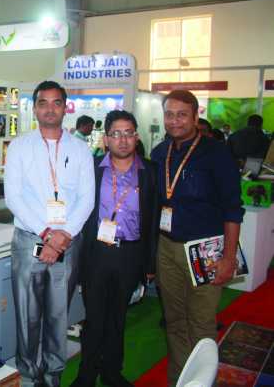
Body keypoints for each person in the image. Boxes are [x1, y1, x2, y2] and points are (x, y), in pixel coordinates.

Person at [4, 81, 95, 387]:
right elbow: (13, 198)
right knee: (27, 314)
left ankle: (53, 375)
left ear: (65, 108)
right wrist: (46, 234)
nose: (50, 109)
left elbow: (87, 199)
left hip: (67, 242)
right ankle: (29, 376)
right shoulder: (19, 147)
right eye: (43, 103)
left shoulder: (80, 149)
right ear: (35, 108)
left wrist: (63, 236)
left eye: (57, 103)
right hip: (29, 240)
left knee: (58, 314)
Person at [151, 90, 244, 386]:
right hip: (167, 248)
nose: (174, 121)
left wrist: (228, 257)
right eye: (169, 114)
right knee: (175, 321)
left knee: (201, 323)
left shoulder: (216, 153)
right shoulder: (159, 153)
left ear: (195, 116)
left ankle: (204, 381)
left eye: (182, 115)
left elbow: (233, 209)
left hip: (205, 251)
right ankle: (180, 380)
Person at [71, 111, 159, 387]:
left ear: (136, 137)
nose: (123, 140)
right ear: (106, 138)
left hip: (130, 254)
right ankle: (86, 375)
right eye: (116, 134)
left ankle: (111, 372)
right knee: (94, 318)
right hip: (96, 253)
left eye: (128, 133)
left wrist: (150, 264)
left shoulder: (150, 172)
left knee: (118, 317)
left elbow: (154, 219)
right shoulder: (92, 169)